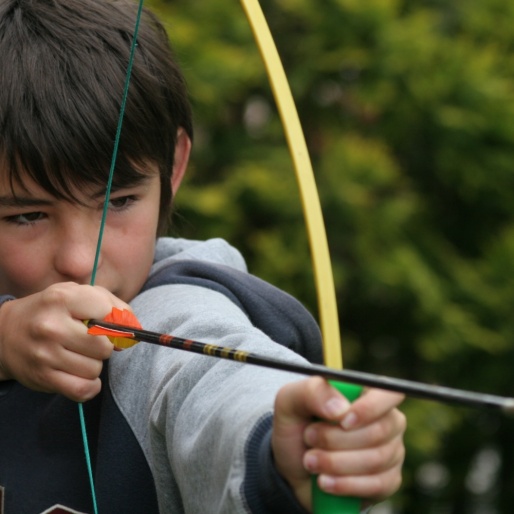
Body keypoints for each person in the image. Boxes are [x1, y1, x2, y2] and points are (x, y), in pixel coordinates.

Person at [0, 0, 406, 513]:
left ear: (173, 168)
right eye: (27, 216)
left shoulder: (176, 319)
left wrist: (282, 451)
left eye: (120, 201)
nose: (81, 262)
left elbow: (218, 384)